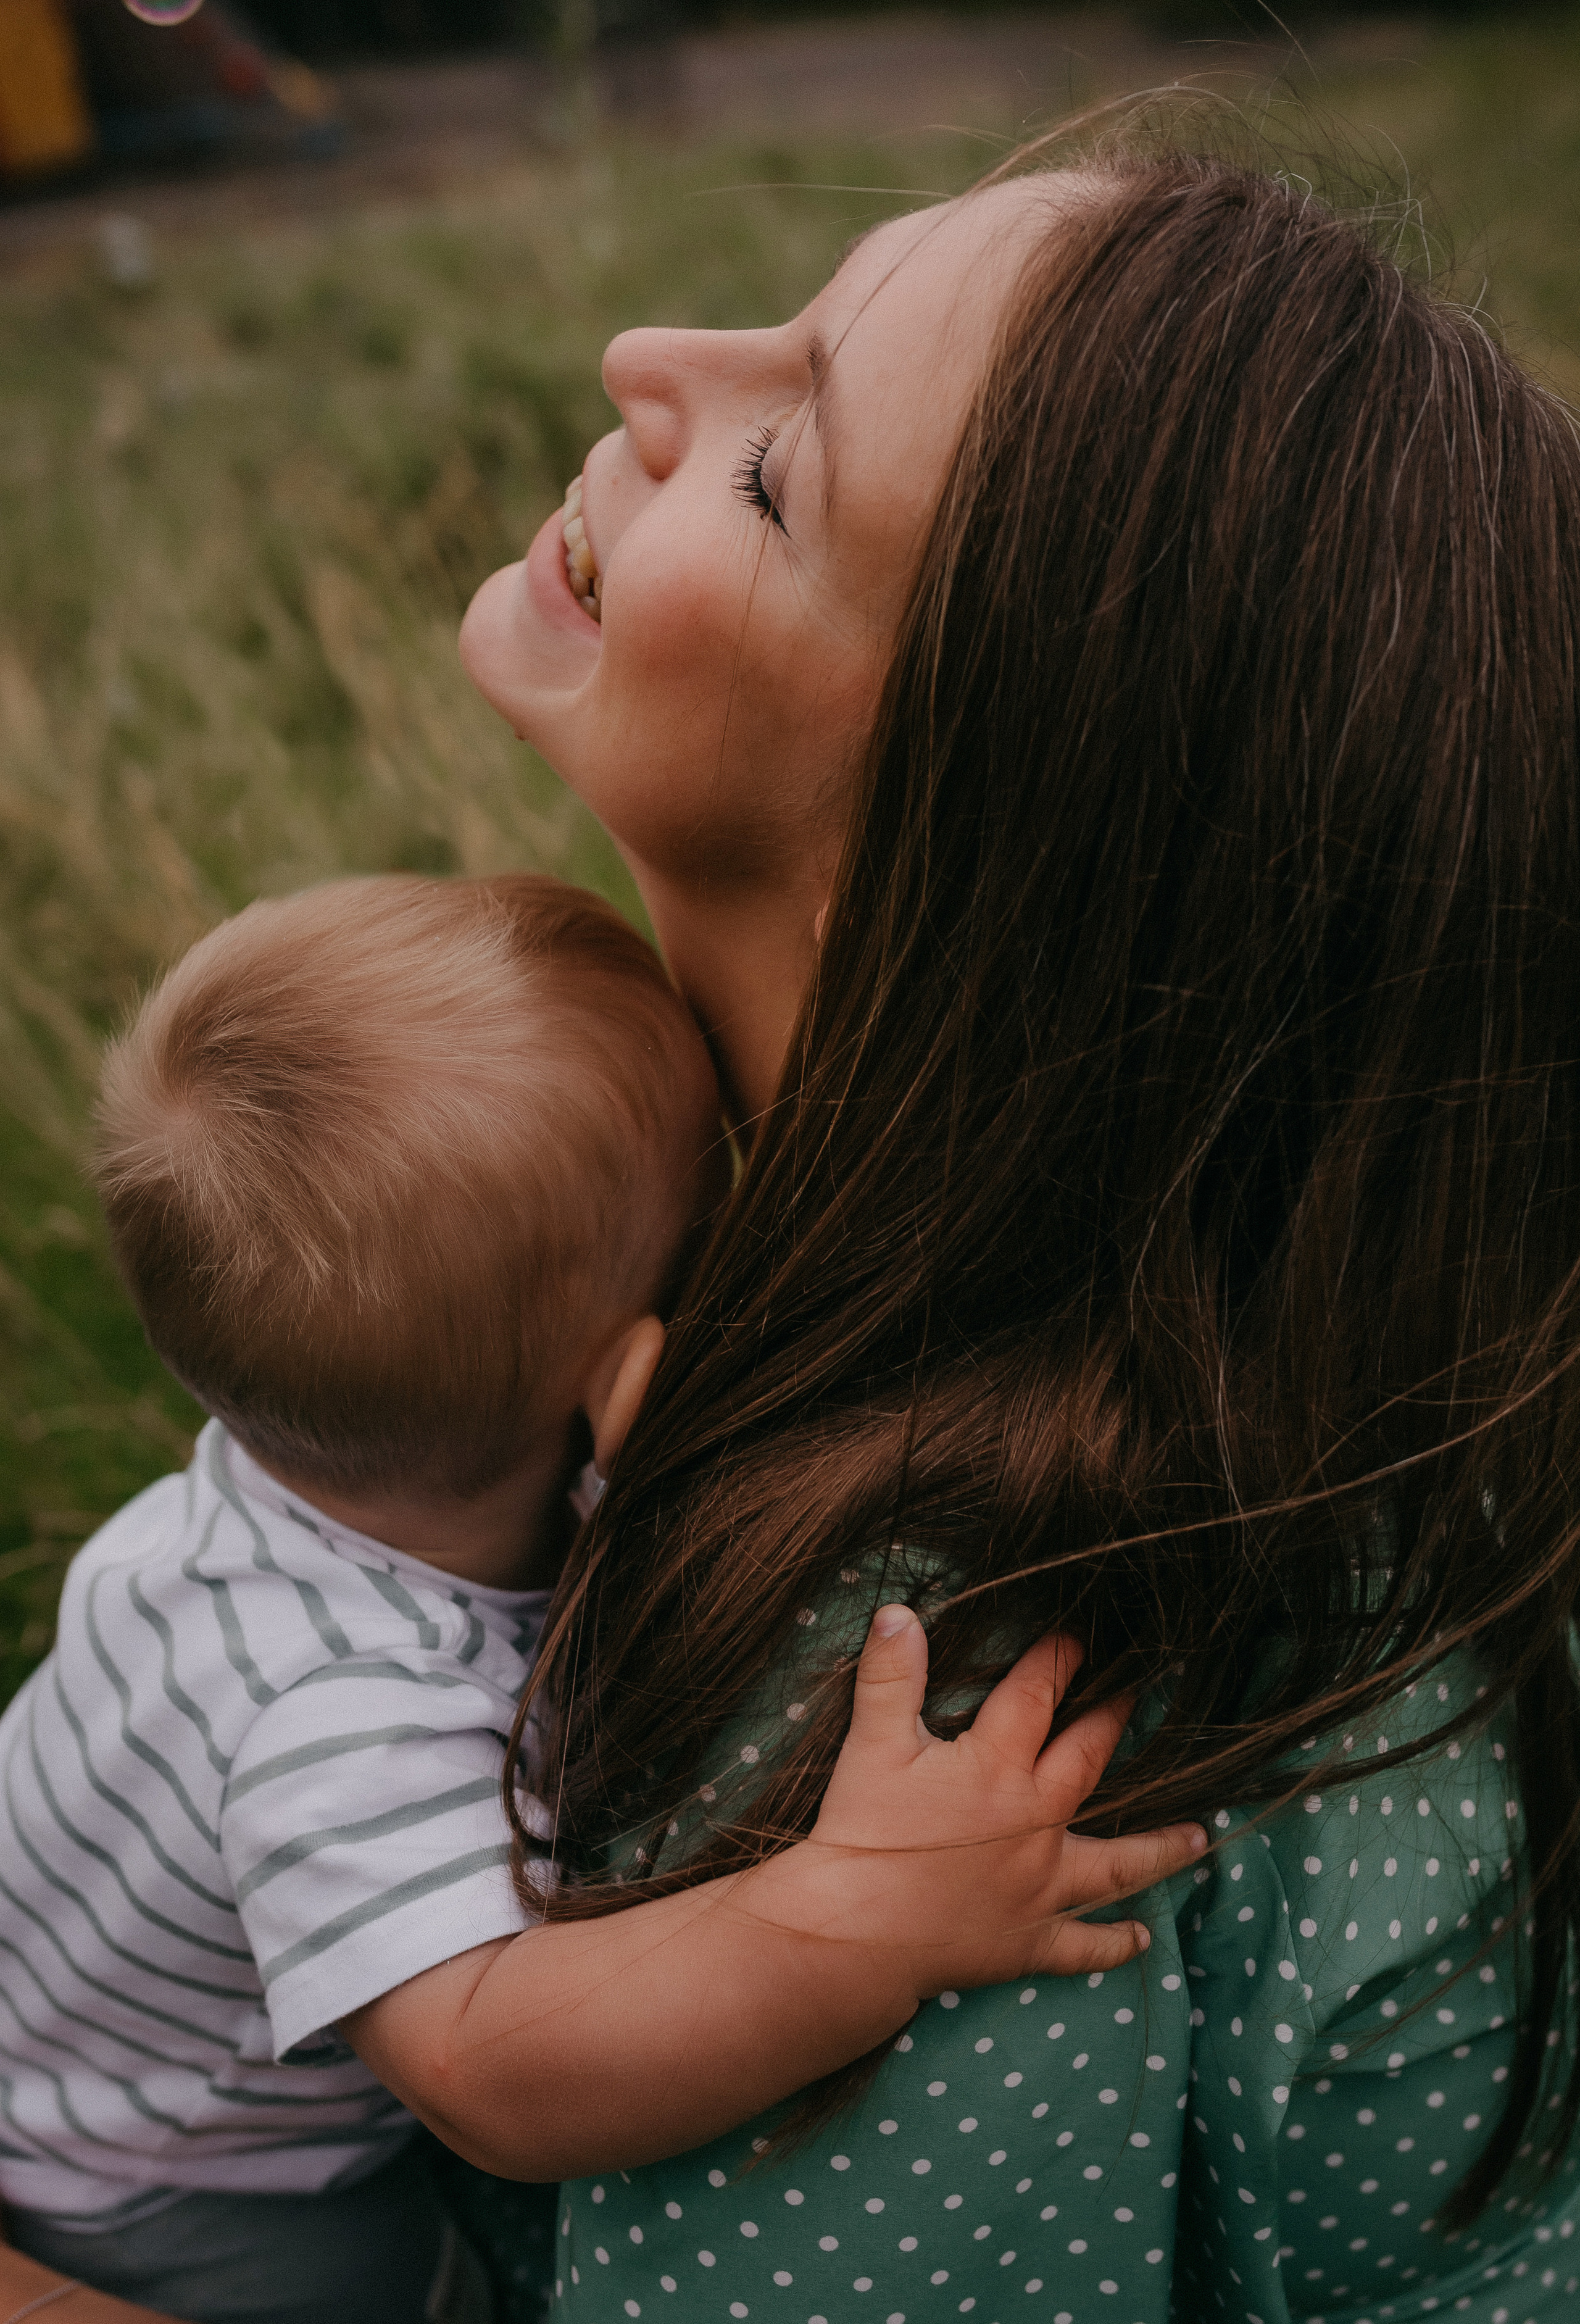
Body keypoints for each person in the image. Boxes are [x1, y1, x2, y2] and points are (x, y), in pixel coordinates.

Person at [452, 129, 1580, 2315]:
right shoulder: (1270, 1399)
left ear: (954, 892)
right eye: (786, 324)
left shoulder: (911, 1713)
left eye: (782, 476)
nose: (644, 361)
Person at [0, 870, 1199, 2324]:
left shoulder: (286, 1483)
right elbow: (494, 2075)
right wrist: (868, 1915)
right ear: (635, 1376)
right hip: (172, 2187)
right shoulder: (338, 1718)